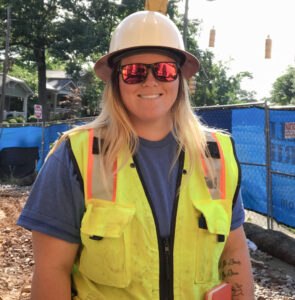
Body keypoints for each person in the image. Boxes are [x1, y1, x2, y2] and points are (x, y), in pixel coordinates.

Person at [17, 10, 254, 300]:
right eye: (134, 72)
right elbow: (53, 269)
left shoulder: (215, 154)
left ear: (179, 78)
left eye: (164, 70)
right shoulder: (76, 155)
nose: (150, 82)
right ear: (116, 81)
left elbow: (233, 251)